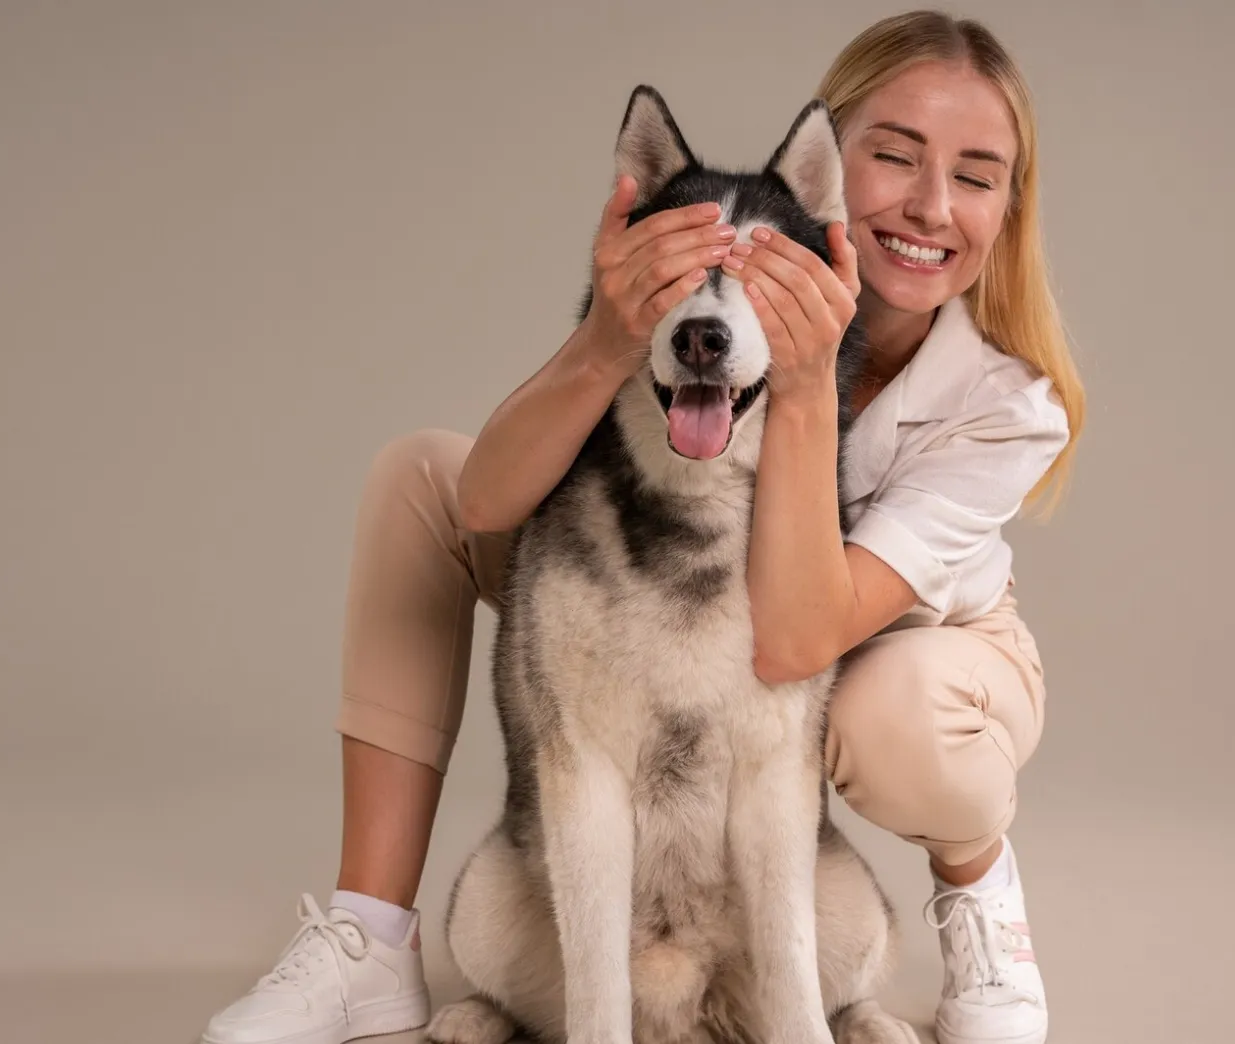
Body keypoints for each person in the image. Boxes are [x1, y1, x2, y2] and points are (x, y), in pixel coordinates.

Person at [200, 10, 1085, 1044]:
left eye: (975, 176)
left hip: (902, 648)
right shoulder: (716, 244)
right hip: (675, 580)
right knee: (423, 479)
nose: (930, 204)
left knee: (887, 710)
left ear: (1007, 207)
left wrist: (802, 384)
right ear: (830, 167)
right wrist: (609, 332)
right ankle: (367, 939)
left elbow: (799, 639)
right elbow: (485, 504)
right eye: (894, 156)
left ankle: (981, 899)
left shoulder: (1003, 402)